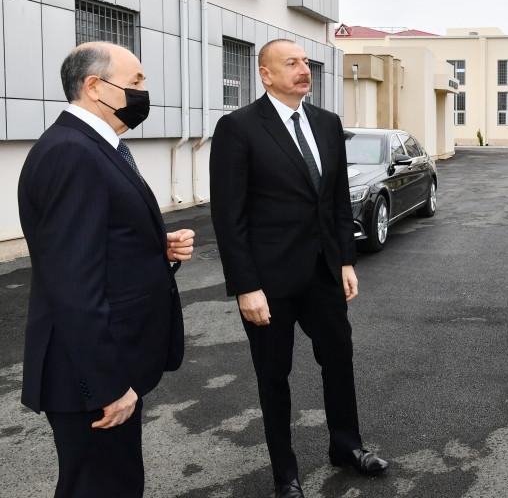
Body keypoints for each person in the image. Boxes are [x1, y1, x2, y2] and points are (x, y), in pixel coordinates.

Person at [210, 39, 388, 498]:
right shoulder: (239, 127)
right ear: (266, 74)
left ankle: (346, 447)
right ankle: (284, 474)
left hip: (323, 272)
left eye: (305, 62)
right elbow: (229, 218)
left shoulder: (326, 124)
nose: (302, 69)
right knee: (274, 375)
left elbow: (332, 200)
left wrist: (346, 259)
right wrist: (245, 287)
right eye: (290, 63)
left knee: (339, 360)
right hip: (268, 283)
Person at [18, 42, 195, 497]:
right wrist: (108, 386)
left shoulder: (95, 146)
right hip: (90, 377)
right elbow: (74, 285)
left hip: (101, 366)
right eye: (135, 83)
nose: (143, 92)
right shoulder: (72, 153)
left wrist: (157, 249)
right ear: (95, 86)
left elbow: (96, 246)